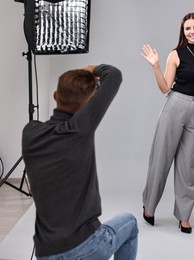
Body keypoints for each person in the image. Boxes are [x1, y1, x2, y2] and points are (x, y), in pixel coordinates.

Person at [22, 64, 138, 259]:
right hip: (85, 248)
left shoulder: (29, 132)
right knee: (130, 222)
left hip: (46, 254)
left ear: (55, 96)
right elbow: (114, 75)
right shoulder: (80, 129)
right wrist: (94, 69)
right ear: (89, 104)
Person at [140, 12, 194, 233]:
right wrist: (155, 66)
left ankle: (184, 216)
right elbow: (165, 88)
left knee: (189, 163)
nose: (192, 31)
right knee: (161, 157)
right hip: (175, 105)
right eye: (187, 29)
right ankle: (149, 206)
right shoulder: (175, 54)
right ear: (183, 32)